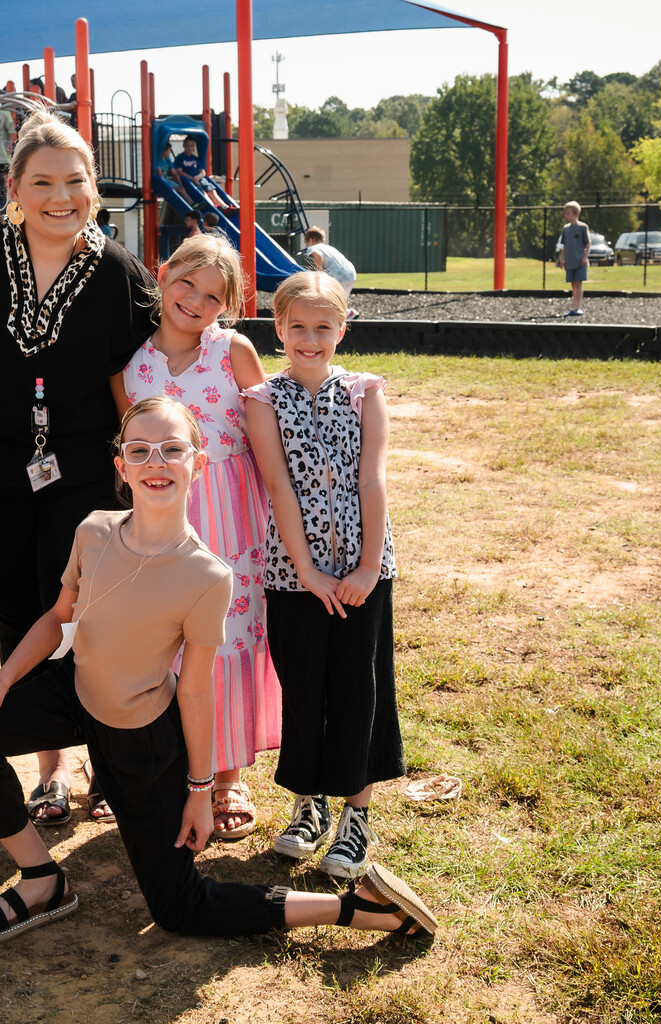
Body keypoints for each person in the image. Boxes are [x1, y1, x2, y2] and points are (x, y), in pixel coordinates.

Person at [0, 397, 437, 945]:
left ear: (198, 463)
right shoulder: (94, 531)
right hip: (75, 695)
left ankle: (355, 908)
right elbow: (58, 618)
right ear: (120, 465)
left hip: (141, 738)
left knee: (179, 907)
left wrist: (201, 789)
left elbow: (196, 693)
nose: (157, 462)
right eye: (140, 450)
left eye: (172, 449)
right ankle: (41, 878)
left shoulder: (205, 574)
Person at [0, 110, 157, 827]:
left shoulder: (120, 271)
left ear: (94, 187)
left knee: (86, 615)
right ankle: (49, 770)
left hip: (84, 474)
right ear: (14, 186)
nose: (60, 196)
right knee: (15, 608)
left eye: (75, 181)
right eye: (43, 182)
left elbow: (160, 356)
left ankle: (106, 758)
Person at [118, 235, 280, 841]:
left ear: (227, 307)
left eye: (214, 296)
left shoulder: (233, 352)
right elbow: (127, 447)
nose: (196, 300)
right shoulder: (132, 363)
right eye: (187, 283)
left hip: (232, 526)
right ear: (163, 275)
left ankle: (229, 775)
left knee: (226, 640)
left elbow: (269, 445)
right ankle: (167, 769)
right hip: (163, 524)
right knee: (165, 646)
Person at [243, 271, 403, 880]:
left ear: (343, 328)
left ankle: (356, 812)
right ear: (278, 328)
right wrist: (306, 570)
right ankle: (308, 804)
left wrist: (365, 566)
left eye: (323, 327)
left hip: (365, 570)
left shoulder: (365, 392)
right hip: (294, 573)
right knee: (304, 687)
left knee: (359, 688)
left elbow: (373, 479)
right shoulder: (262, 400)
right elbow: (277, 484)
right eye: (298, 327)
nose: (310, 339)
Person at [172, 137, 227, 211]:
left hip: (198, 179)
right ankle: (215, 208)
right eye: (187, 145)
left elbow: (202, 171)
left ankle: (225, 207)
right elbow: (179, 171)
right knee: (203, 192)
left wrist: (197, 178)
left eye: (191, 146)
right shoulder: (180, 158)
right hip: (189, 181)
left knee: (212, 191)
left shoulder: (195, 158)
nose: (190, 148)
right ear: (184, 146)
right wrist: (192, 179)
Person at [302, 226, 357, 296]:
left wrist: (319, 273)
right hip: (351, 273)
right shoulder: (330, 248)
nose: (307, 245)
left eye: (307, 243)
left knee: (329, 299)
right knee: (342, 300)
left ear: (311, 240)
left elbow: (318, 256)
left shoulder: (313, 248)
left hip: (337, 275)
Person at [557, 201, 590, 317]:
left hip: (580, 260)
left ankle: (579, 307)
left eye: (568, 213)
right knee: (573, 284)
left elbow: (588, 243)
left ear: (575, 214)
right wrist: (563, 259)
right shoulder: (566, 229)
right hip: (569, 261)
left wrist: (585, 257)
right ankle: (574, 307)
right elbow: (565, 245)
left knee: (579, 283)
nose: (566, 216)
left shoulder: (583, 227)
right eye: (565, 213)